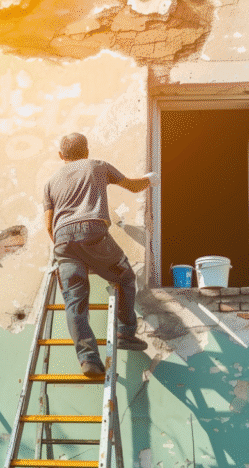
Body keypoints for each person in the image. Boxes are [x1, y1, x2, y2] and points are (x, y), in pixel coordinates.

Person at [44, 133, 158, 377]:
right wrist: (150, 180)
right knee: (124, 276)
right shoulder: (97, 166)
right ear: (86, 150)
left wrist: (70, 250)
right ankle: (125, 332)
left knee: (74, 301)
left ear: (60, 156)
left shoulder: (50, 182)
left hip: (62, 239)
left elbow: (48, 225)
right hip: (92, 230)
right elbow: (132, 185)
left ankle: (88, 360)